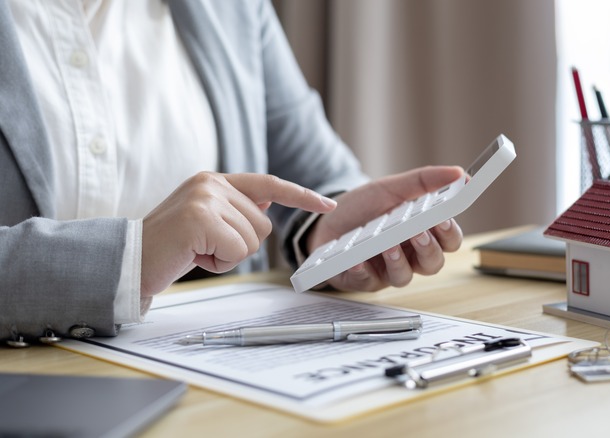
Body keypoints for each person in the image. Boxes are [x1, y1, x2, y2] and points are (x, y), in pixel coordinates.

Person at [0, 0, 464, 345]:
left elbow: (314, 167)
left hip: (226, 374)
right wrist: (131, 258)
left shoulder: (230, 7)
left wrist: (330, 230)